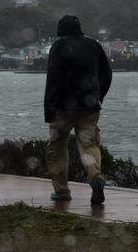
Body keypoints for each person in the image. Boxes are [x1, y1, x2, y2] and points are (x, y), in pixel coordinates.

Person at [44, 14, 112, 205]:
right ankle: (95, 177)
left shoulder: (58, 46)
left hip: (62, 107)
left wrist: (49, 108)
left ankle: (62, 191)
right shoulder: (94, 45)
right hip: (89, 106)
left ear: (61, 30)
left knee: (57, 148)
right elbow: (107, 74)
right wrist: (98, 96)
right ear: (79, 28)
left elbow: (53, 79)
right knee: (89, 146)